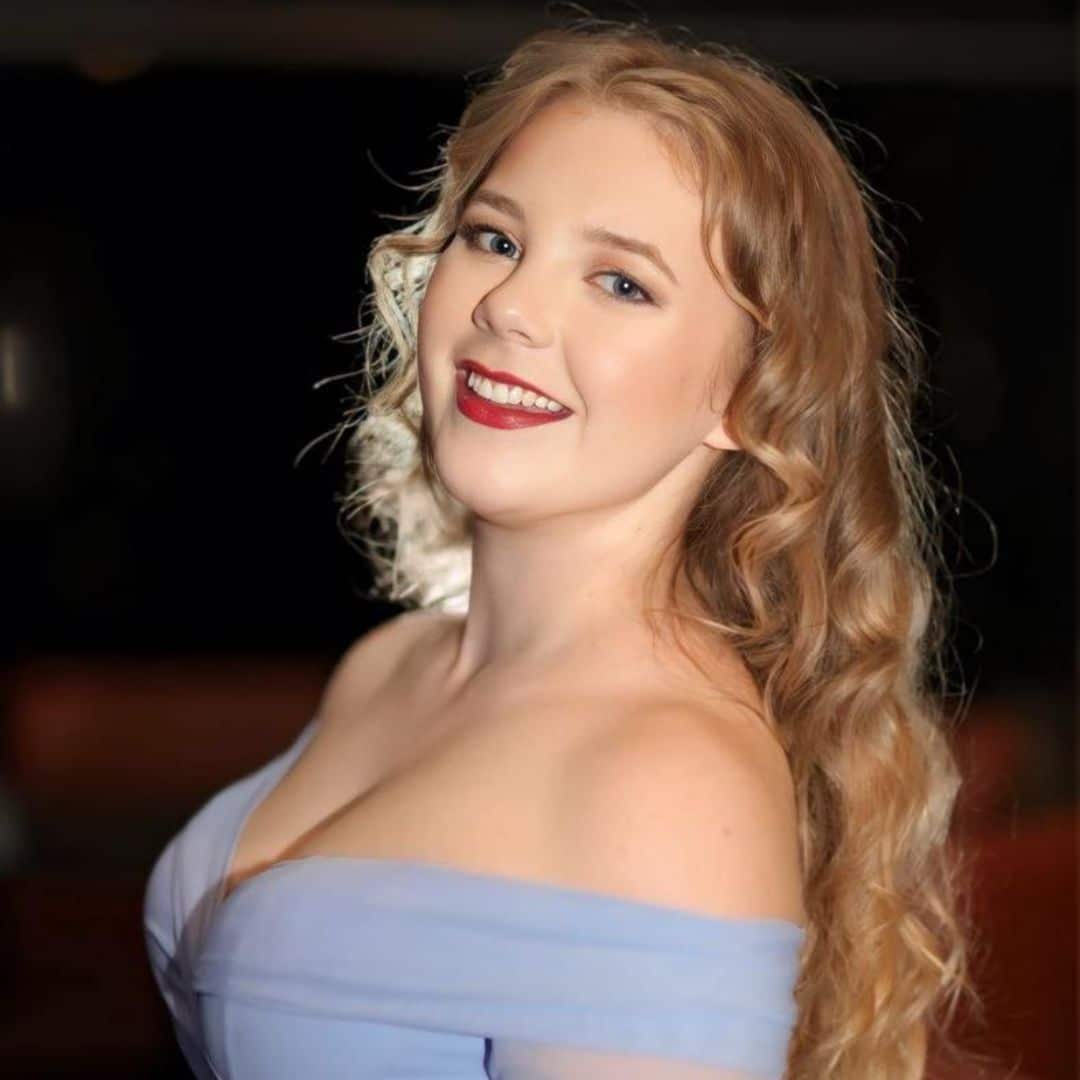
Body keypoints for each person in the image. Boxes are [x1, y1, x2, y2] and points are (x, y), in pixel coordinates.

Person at [144, 17, 978, 1080]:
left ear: (745, 394)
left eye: (621, 282)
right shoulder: (390, 667)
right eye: (495, 238)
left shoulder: (668, 782)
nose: (511, 308)